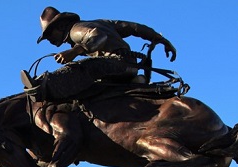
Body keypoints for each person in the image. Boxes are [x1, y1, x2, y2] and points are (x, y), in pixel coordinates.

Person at [21, 6, 177, 102]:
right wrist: (161, 39)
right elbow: (133, 27)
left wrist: (75, 51)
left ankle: (42, 86)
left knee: (81, 67)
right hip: (130, 66)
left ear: (61, 26)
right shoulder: (101, 22)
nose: (49, 40)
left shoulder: (75, 31)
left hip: (118, 64)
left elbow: (98, 37)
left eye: (49, 34)